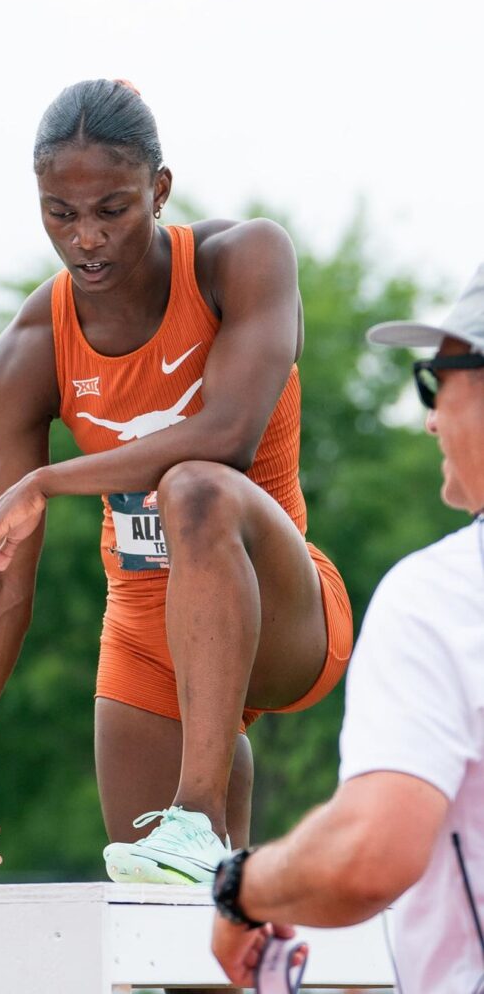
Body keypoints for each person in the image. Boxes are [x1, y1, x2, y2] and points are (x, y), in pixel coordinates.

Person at [0, 78, 353, 888]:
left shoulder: (244, 260)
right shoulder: (27, 352)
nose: (86, 239)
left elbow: (226, 438)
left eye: (112, 210)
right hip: (145, 629)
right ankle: (214, 863)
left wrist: (49, 481)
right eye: (60, 214)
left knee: (195, 485)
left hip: (279, 611)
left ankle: (195, 812)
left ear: (159, 190)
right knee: (158, 923)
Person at [211, 266, 484, 993]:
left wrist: (243, 885)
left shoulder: (444, 594)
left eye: (435, 380)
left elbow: (371, 853)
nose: (429, 417)